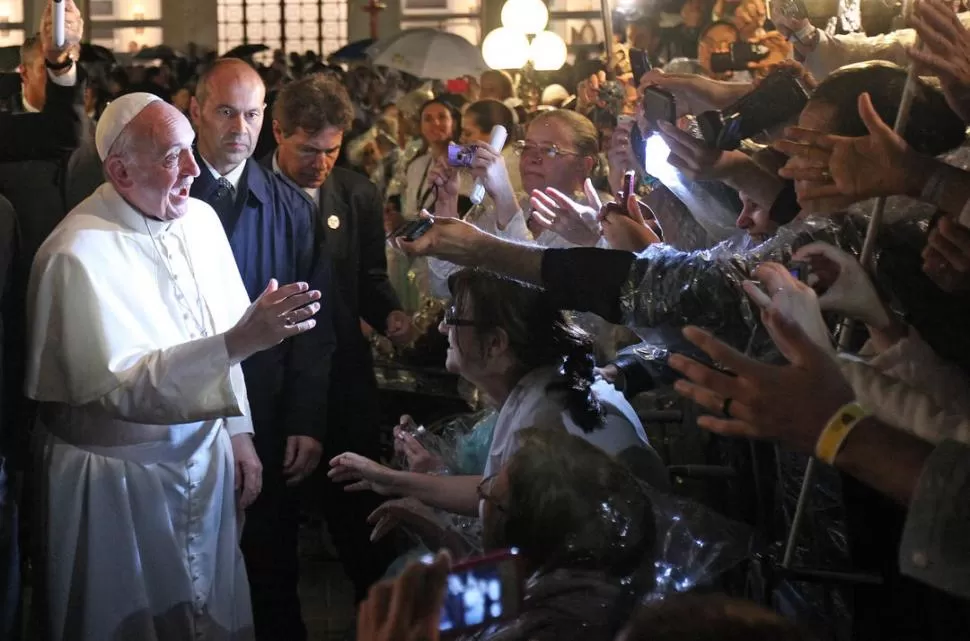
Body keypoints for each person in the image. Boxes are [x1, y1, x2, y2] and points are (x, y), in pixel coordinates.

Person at [25, 92, 321, 640]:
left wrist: (238, 433)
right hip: (117, 481)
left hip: (203, 467)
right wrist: (239, 343)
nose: (192, 170)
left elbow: (219, 331)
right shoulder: (75, 253)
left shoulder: (201, 220)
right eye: (171, 158)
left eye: (190, 151)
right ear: (119, 169)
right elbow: (122, 387)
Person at [188, 58, 337, 641]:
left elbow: (313, 326)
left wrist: (306, 417)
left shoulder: (292, 207)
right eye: (226, 111)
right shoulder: (167, 194)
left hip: (269, 409)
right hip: (189, 405)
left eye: (251, 114)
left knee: (271, 560)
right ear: (196, 109)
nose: (238, 128)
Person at [328, 269, 667, 519]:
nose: (443, 328)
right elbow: (498, 488)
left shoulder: (546, 417)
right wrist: (419, 477)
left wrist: (398, 481)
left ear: (494, 344)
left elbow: (502, 506)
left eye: (452, 316)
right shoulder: (544, 389)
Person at [267, 72, 409, 602]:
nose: (320, 163)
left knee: (358, 507)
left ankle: (376, 611)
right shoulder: (252, 196)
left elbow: (368, 276)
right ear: (278, 132)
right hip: (279, 374)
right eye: (307, 150)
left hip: (345, 373)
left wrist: (392, 314)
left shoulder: (356, 193)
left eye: (331, 150)